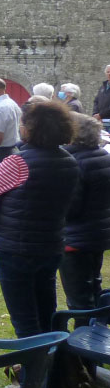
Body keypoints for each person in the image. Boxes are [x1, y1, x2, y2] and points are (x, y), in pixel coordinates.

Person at [0, 100, 79, 338]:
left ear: (31, 128)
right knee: (46, 311)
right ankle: (52, 368)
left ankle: (34, 371)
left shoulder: (18, 162)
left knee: (25, 320)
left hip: (15, 246)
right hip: (50, 244)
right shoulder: (69, 161)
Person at [60, 114, 110, 312]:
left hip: (76, 237)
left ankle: (84, 338)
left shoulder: (75, 162)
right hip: (98, 231)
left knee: (79, 297)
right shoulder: (102, 156)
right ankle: (95, 329)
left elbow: (72, 207)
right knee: (93, 287)